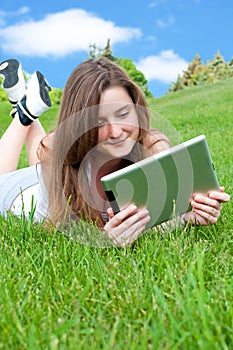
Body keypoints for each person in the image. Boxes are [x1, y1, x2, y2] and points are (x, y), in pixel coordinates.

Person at [0, 58, 230, 247]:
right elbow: (56, 234)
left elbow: (152, 220)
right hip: (19, 197)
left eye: (123, 114)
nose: (116, 132)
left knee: (46, 155)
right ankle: (25, 115)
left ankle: (24, 105)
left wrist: (189, 217)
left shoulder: (151, 147)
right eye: (99, 122)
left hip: (45, 174)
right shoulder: (56, 161)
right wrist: (105, 239)